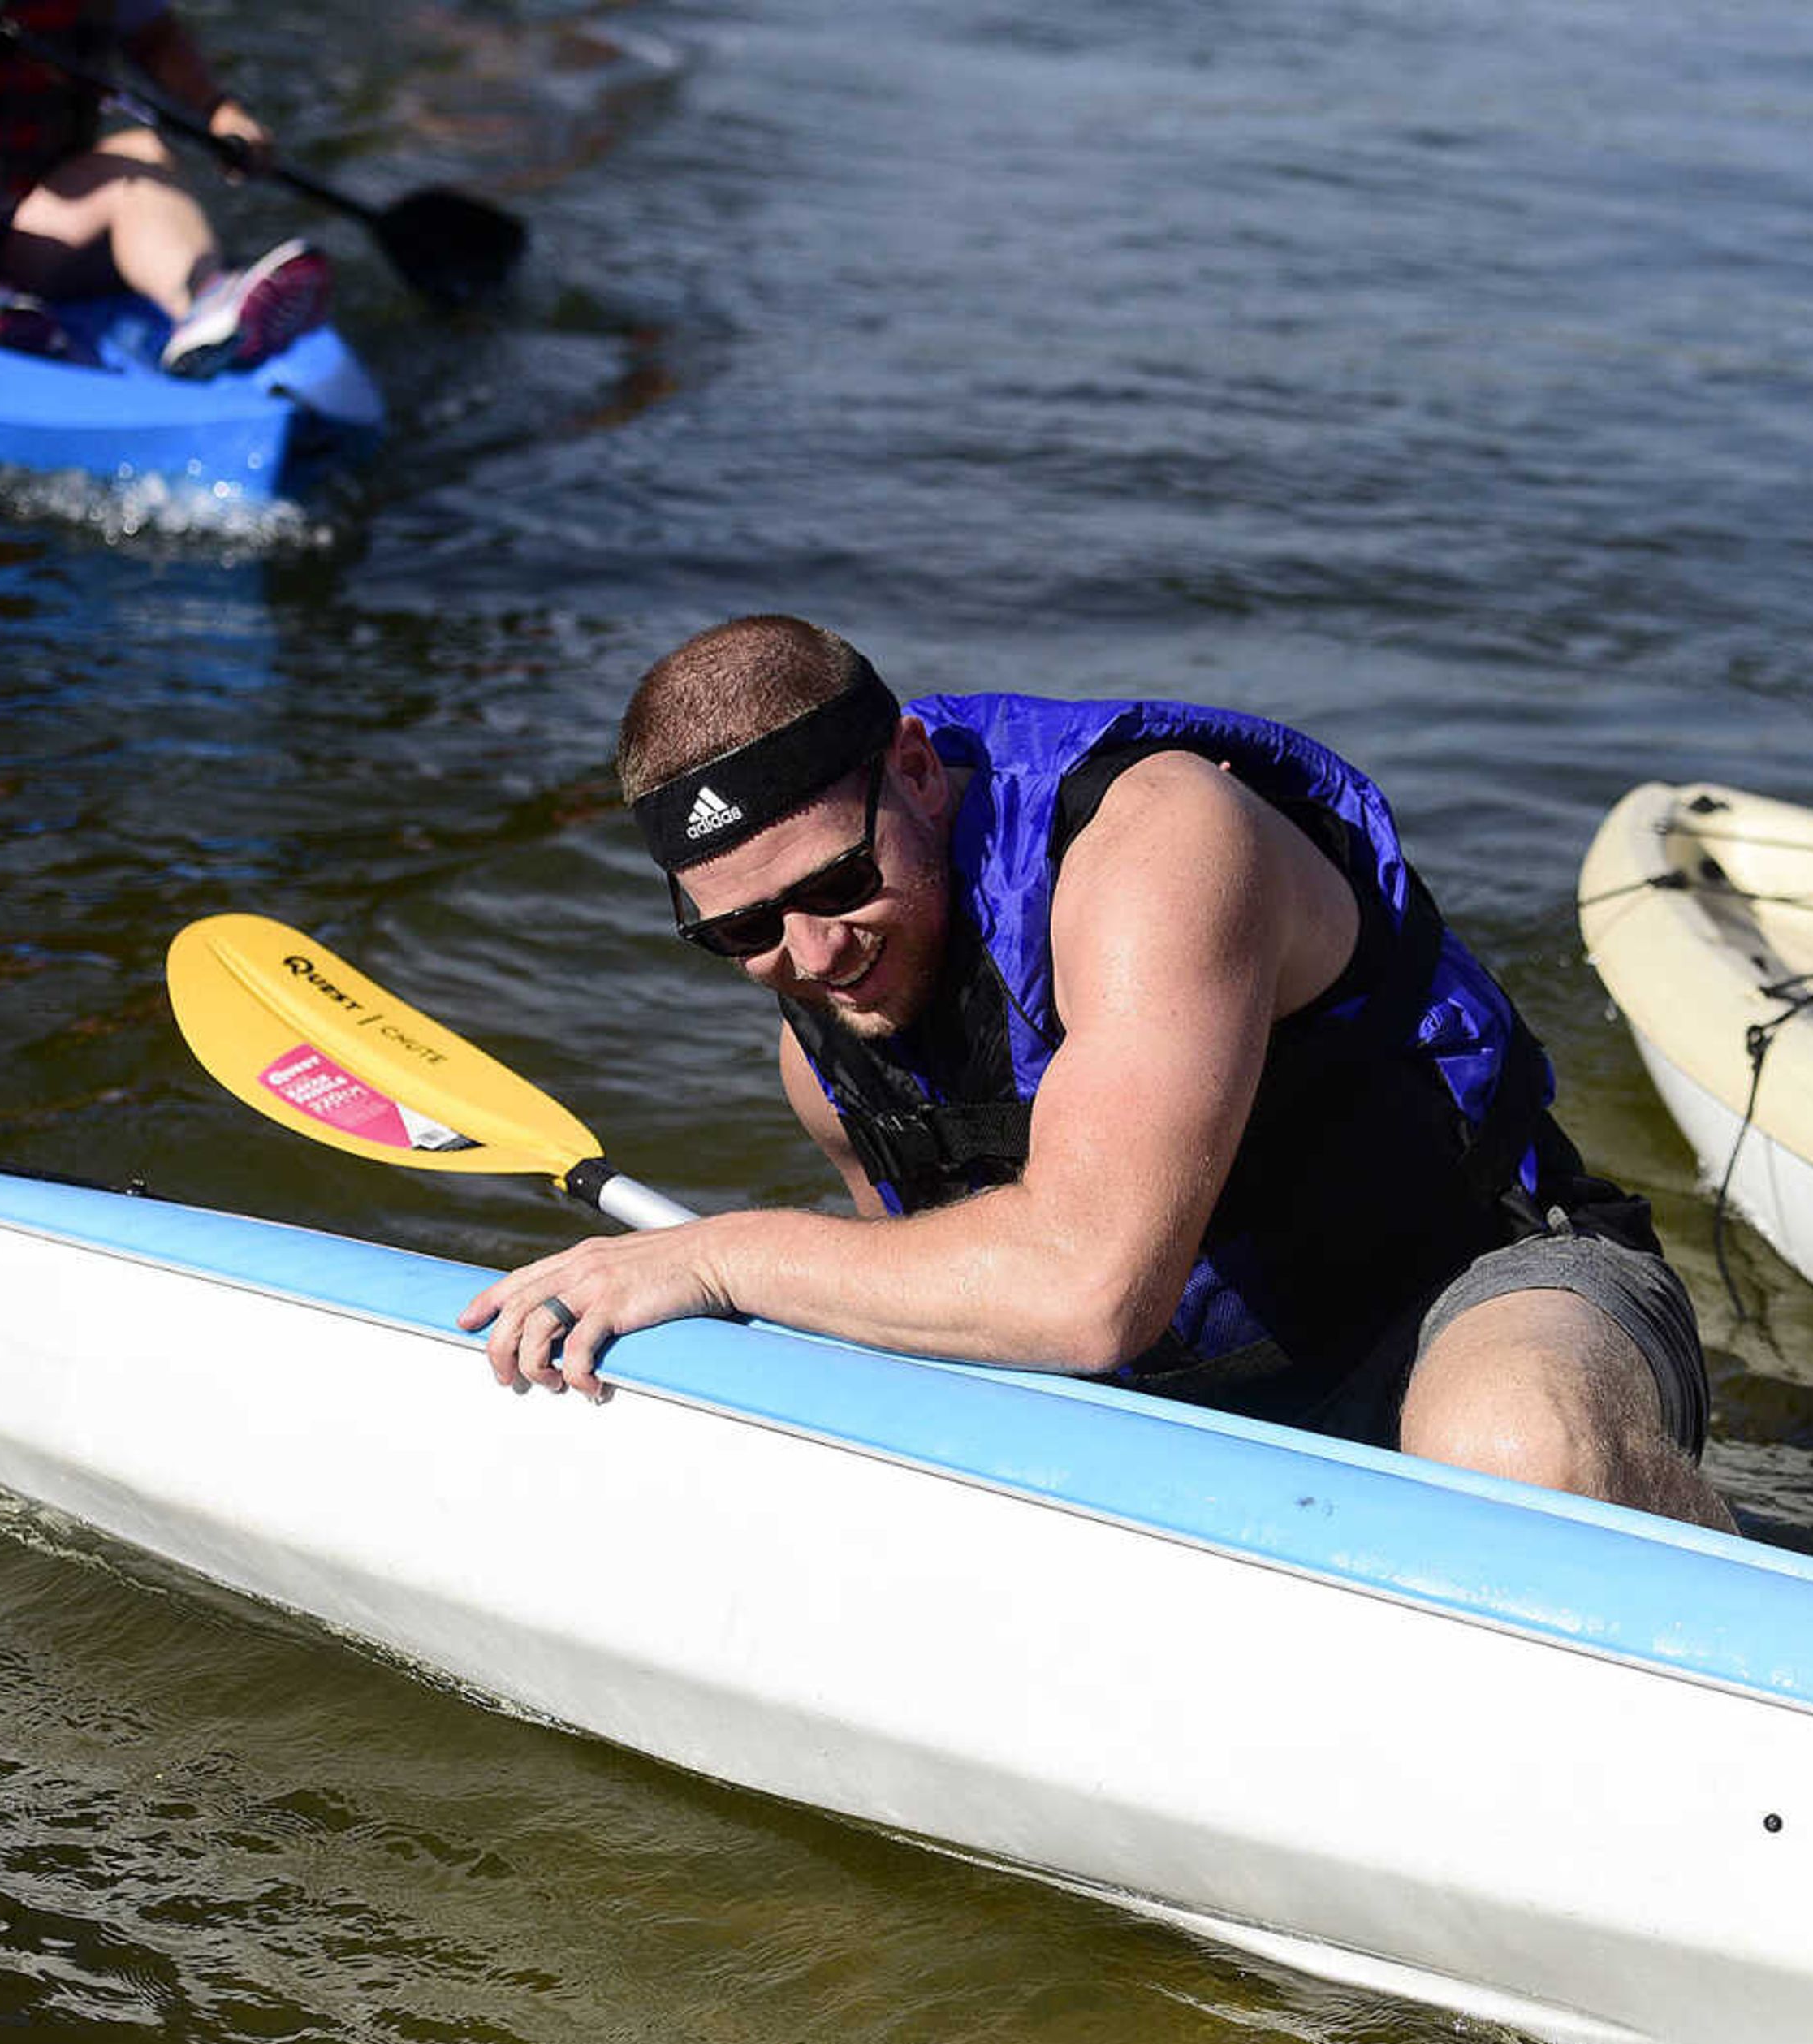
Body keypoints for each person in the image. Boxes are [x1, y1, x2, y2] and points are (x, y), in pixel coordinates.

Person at [458, 616, 1736, 1533]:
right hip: (1196, 1399)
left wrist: (718, 1256)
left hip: (1480, 1287)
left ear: (913, 768)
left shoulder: (1157, 840)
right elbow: (943, 1304)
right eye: (739, 931)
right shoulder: (824, 1034)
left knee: (1507, 1442)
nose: (810, 954)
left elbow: (1088, 1292)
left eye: (839, 883)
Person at [0, 0, 327, 373]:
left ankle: (207, 304)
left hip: (38, 227)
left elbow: (156, 40)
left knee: (141, 154)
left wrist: (219, 112)